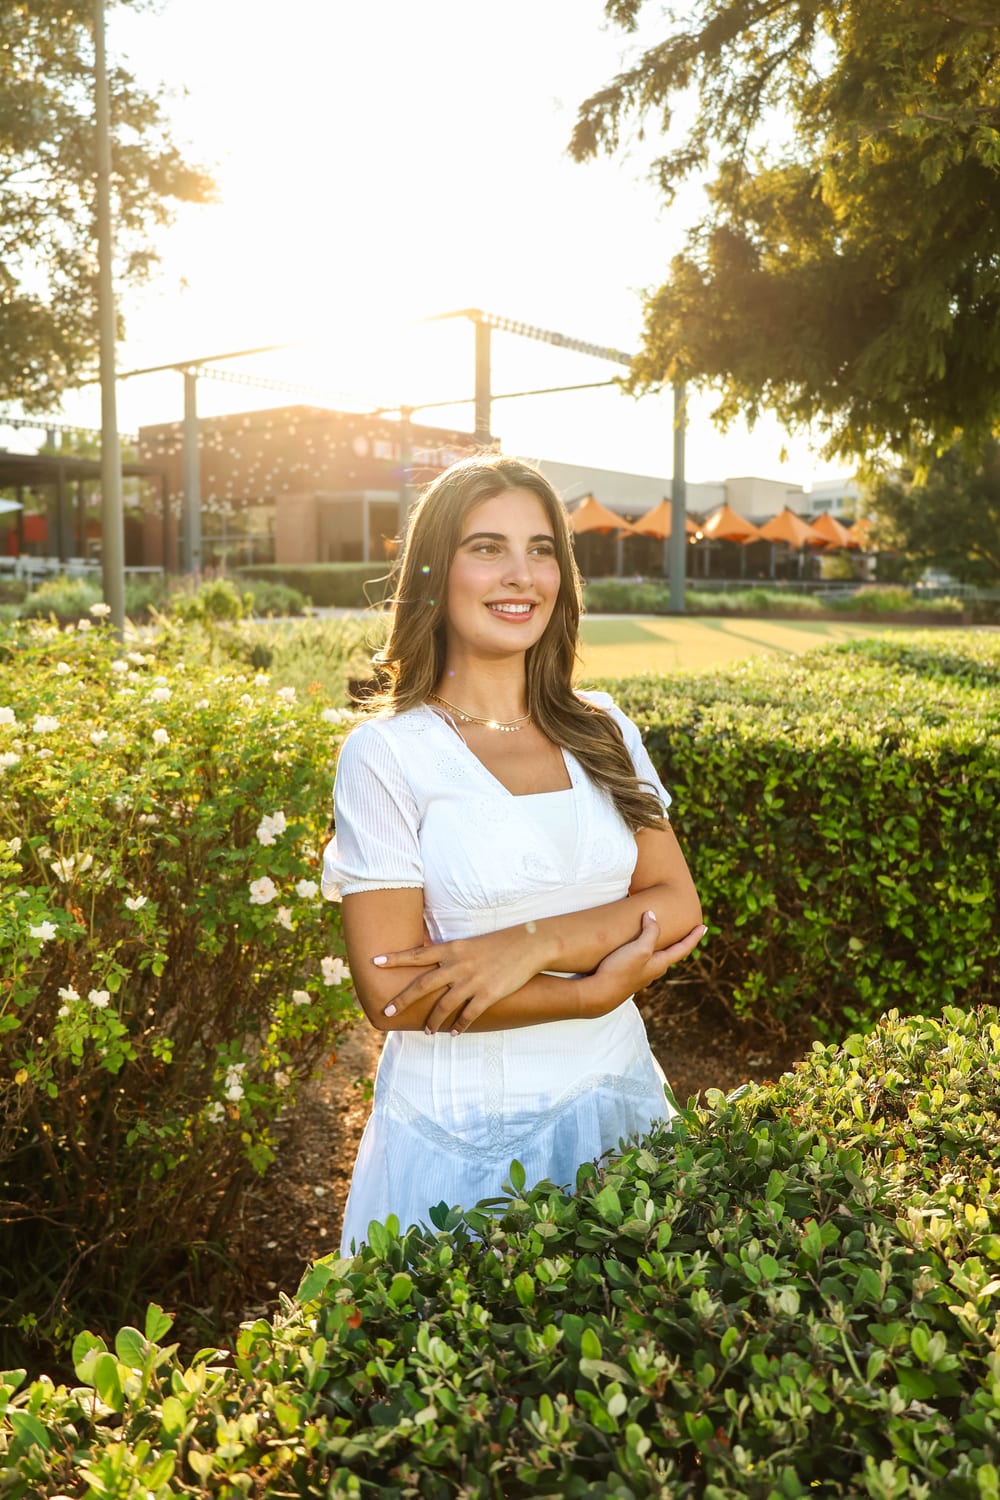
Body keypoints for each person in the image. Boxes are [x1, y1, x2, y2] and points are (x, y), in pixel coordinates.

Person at [322, 455, 705, 1252]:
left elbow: (675, 902)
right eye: (487, 547)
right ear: (435, 571)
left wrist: (526, 947)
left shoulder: (602, 726)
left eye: (542, 549)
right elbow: (396, 995)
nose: (522, 574)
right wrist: (585, 993)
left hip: (622, 1104)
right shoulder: (387, 753)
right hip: (464, 1146)